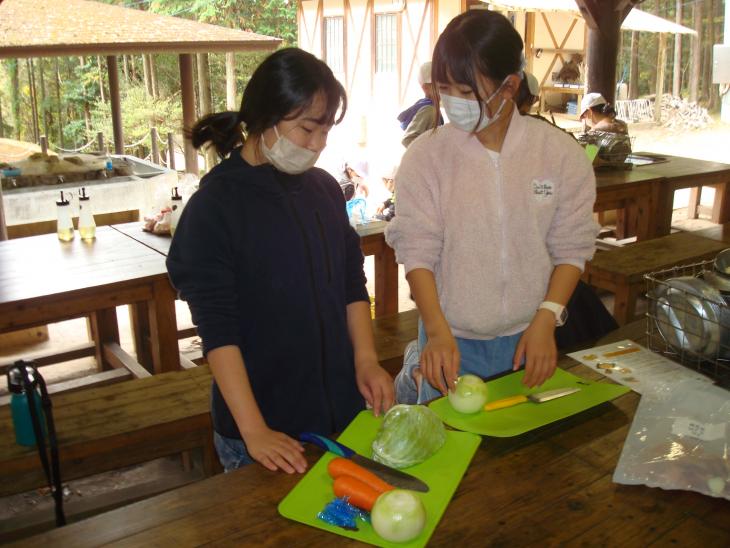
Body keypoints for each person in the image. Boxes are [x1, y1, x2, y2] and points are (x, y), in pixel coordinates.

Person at [166, 48, 394, 474]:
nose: (317, 145)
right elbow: (219, 332)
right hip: (266, 433)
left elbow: (349, 283)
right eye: (307, 129)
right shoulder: (216, 207)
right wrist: (253, 430)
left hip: (340, 415)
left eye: (325, 131)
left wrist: (365, 359)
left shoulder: (323, 191)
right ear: (265, 117)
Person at [385, 10, 598, 404]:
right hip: (447, 335)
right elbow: (416, 250)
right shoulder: (426, 157)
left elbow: (572, 245)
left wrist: (548, 316)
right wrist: (435, 331)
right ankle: (413, 370)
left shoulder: (557, 153)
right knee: (440, 443)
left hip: (528, 336)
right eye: (445, 89)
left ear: (509, 87)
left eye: (467, 93)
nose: (453, 103)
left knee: (516, 453)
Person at [398, 62, 443, 148]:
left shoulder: (433, 108)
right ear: (425, 88)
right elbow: (407, 139)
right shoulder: (429, 110)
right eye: (439, 86)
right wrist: (427, 153)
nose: (443, 89)